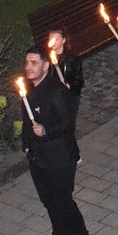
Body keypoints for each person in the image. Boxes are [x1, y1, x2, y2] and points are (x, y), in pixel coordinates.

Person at [20, 47, 89, 235]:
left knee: (63, 200)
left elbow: (67, 124)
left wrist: (46, 131)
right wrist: (27, 145)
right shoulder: (28, 90)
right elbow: (26, 121)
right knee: (48, 200)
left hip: (59, 157)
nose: (28, 67)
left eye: (33, 63)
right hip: (37, 157)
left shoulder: (57, 91)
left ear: (45, 66)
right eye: (27, 62)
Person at [45, 30, 84, 163]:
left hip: (70, 97)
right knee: (58, 125)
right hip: (55, 97)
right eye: (51, 39)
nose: (53, 41)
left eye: (56, 38)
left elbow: (79, 81)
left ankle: (74, 154)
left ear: (63, 40)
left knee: (68, 125)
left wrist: (70, 86)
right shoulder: (47, 60)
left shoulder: (72, 59)